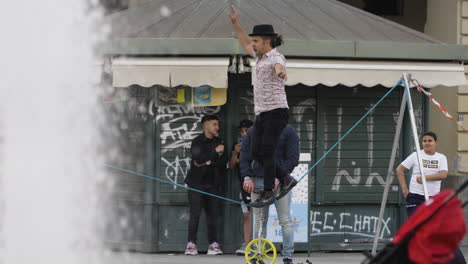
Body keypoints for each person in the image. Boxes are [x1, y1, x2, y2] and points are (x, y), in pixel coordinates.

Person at [229, 6, 297, 207]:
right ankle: (285, 178)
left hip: (277, 112)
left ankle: (269, 190)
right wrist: (235, 23)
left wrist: (281, 72)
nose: (253, 44)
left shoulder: (276, 57)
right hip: (262, 114)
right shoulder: (259, 58)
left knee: (267, 151)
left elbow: (279, 66)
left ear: (267, 42)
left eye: (257, 41)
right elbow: (244, 41)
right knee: (257, 153)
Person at [397, 131, 466, 264]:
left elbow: (443, 175)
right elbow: (399, 170)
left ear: (436, 143)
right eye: (424, 141)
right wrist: (405, 190)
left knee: (439, 230)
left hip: (433, 200)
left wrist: (423, 178)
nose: (427, 143)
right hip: (415, 198)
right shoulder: (416, 156)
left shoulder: (441, 158)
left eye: (430, 141)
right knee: (416, 229)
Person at [240, 124, 299, 264]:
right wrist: (247, 177)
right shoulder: (253, 130)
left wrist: (280, 176)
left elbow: (293, 157)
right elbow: (244, 155)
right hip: (258, 180)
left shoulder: (288, 130)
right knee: (260, 220)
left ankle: (287, 257)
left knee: (285, 220)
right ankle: (257, 254)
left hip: (280, 182)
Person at [184, 115, 227, 256]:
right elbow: (198, 159)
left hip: (213, 183)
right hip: (196, 183)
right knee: (195, 214)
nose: (217, 127)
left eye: (217, 124)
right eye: (215, 124)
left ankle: (213, 245)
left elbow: (223, 163)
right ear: (206, 125)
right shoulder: (197, 141)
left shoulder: (220, 141)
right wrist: (214, 152)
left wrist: (208, 161)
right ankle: (191, 244)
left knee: (213, 216)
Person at [229, 119, 254, 255]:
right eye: (242, 131)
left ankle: (258, 243)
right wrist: (235, 152)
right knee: (246, 215)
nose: (244, 134)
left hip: (258, 185)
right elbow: (232, 166)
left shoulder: (257, 143)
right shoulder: (238, 145)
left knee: (258, 215)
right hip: (243, 185)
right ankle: (246, 243)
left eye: (246, 131)